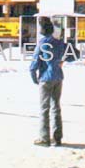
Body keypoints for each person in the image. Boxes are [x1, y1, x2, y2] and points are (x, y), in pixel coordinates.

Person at [30, 16, 68, 147]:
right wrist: (61, 61)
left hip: (45, 78)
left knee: (44, 108)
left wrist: (33, 76)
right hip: (58, 77)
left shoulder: (42, 43)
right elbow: (74, 54)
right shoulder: (59, 43)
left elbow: (35, 62)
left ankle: (44, 138)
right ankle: (57, 138)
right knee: (56, 107)